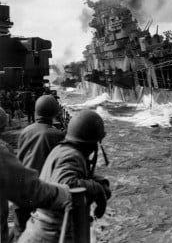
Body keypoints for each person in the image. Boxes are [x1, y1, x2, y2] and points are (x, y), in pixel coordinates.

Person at [19, 110, 111, 243]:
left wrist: (98, 181)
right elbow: (65, 183)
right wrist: (96, 189)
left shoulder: (62, 150)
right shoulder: (72, 155)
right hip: (51, 235)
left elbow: (73, 175)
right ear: (92, 142)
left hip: (42, 231)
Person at [0, 108, 71, 243]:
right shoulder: (55, 134)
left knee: (18, 229)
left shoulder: (26, 131)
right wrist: (63, 193)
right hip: (34, 188)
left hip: (17, 201)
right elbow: (29, 189)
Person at [13, 95, 65, 238]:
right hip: (39, 193)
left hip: (21, 190)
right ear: (54, 113)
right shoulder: (56, 135)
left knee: (20, 232)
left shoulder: (26, 131)